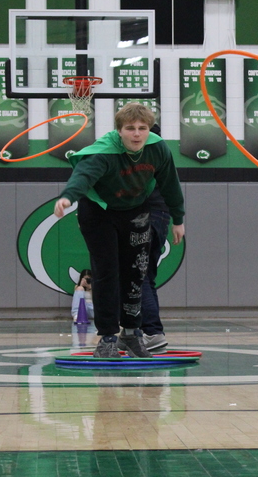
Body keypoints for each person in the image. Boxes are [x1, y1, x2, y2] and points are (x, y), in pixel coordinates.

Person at [54, 103, 185, 359]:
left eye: (142, 128)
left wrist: (178, 220)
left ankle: (133, 333)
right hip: (99, 211)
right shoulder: (104, 151)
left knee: (136, 272)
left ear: (149, 130)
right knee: (106, 273)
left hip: (135, 210)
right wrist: (68, 197)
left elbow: (171, 184)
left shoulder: (157, 148)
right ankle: (108, 336)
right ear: (120, 130)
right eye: (130, 129)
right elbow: (83, 175)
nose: (136, 134)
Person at [141, 123, 171, 352]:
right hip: (161, 218)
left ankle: (151, 332)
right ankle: (140, 331)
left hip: (145, 219)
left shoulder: (140, 159)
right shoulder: (163, 157)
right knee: (146, 278)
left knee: (137, 279)